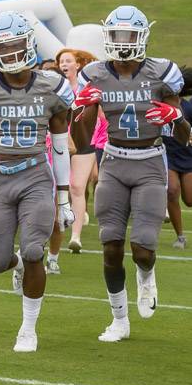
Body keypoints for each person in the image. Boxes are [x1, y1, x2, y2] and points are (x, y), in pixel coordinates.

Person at [72, 5, 190, 343]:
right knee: (110, 246)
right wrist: (80, 109)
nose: (123, 43)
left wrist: (176, 118)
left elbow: (184, 139)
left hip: (151, 161)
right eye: (118, 36)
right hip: (113, 161)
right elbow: (82, 143)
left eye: (130, 36)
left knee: (143, 248)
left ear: (143, 38)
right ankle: (119, 319)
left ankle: (147, 274)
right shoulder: (93, 74)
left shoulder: (162, 72)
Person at [0, 11, 74, 353]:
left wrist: (64, 196)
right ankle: (19, 264)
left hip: (37, 175)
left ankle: (28, 327)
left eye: (14, 47)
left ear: (28, 44)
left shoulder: (51, 86)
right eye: (2, 48)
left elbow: (59, 144)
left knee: (35, 249)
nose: (8, 55)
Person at [53, 48, 107, 260]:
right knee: (57, 188)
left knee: (77, 187)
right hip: (59, 141)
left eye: (68, 61)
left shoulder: (87, 87)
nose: (64, 64)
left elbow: (101, 115)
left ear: (78, 65)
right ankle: (55, 230)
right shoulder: (55, 86)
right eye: (61, 62)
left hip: (84, 143)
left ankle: (75, 236)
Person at [165, 68, 192, 250]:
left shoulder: (189, 108)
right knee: (172, 191)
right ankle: (180, 236)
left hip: (188, 158)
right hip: (168, 155)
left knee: (190, 200)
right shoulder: (162, 103)